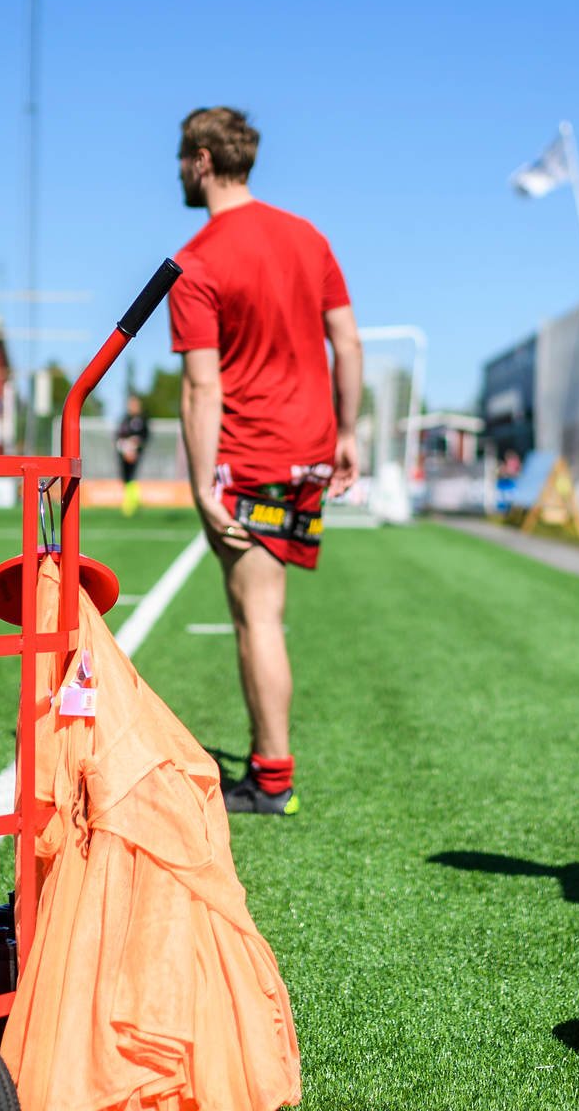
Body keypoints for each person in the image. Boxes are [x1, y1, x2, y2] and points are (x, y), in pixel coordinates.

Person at [169, 106, 362, 815]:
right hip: (309, 452)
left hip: (250, 457)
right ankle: (265, 761)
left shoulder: (197, 259)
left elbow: (200, 383)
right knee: (262, 611)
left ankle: (272, 779)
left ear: (201, 161)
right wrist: (350, 430)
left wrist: (199, 483)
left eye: (181, 159)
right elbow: (348, 339)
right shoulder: (307, 236)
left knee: (257, 615)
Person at [114, 393, 151, 517]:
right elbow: (118, 436)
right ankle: (131, 501)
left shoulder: (142, 419)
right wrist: (124, 448)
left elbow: (145, 436)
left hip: (135, 453)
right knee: (126, 478)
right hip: (124, 453)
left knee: (131, 476)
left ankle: (130, 504)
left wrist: (136, 447)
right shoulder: (125, 419)